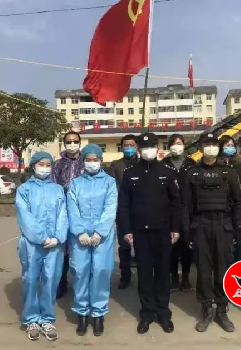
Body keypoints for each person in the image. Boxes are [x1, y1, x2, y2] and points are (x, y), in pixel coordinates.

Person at [118, 132, 182, 335]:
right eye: (144, 147)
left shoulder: (167, 172)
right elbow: (124, 205)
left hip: (163, 232)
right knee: (145, 274)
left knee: (163, 273)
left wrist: (175, 228)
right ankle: (146, 313)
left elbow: (176, 203)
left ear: (158, 148)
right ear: (139, 149)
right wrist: (126, 230)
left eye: (151, 147)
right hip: (140, 233)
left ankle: (163, 313)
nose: (148, 150)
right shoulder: (130, 173)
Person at [181, 133, 241, 333]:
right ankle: (206, 309)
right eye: (207, 144)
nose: (211, 148)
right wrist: (187, 231)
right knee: (204, 270)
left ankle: (222, 310)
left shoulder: (229, 172)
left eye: (214, 144)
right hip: (201, 225)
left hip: (223, 225)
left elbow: (237, 202)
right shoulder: (192, 173)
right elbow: (185, 205)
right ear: (200, 148)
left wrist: (238, 229)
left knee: (223, 269)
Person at [16, 152, 68, 341]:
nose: (45, 168)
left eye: (48, 164)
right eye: (41, 164)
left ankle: (47, 319)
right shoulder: (24, 190)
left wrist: (58, 237)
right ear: (33, 166)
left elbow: (63, 214)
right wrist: (41, 237)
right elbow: (25, 216)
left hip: (54, 244)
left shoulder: (58, 189)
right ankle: (31, 319)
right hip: (32, 243)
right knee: (31, 280)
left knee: (51, 280)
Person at [67, 144, 118, 337]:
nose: (92, 163)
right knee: (80, 272)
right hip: (79, 235)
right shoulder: (75, 183)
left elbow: (110, 207)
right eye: (88, 160)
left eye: (95, 159)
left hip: (102, 237)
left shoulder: (109, 183)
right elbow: (72, 208)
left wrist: (100, 232)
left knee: (101, 271)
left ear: (101, 160)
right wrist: (79, 232)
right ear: (83, 161)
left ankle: (98, 313)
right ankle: (82, 312)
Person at [51, 131, 84, 299]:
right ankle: (61, 283)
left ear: (80, 142)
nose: (72, 144)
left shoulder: (87, 162)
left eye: (75, 141)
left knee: (80, 248)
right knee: (61, 249)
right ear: (64, 144)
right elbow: (53, 187)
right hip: (62, 211)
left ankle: (82, 287)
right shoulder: (57, 165)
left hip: (82, 212)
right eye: (69, 141)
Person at [162, 133, 195, 292]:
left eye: (180, 143)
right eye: (174, 143)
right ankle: (173, 277)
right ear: (169, 146)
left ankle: (186, 277)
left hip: (187, 208)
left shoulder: (191, 163)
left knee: (187, 244)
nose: (177, 146)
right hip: (169, 209)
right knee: (172, 246)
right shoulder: (164, 164)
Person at [108, 134, 139, 290]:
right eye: (126, 145)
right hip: (123, 210)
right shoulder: (116, 165)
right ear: (122, 147)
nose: (129, 148)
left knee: (143, 244)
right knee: (124, 245)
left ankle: (144, 274)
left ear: (137, 147)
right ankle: (125, 275)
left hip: (141, 210)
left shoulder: (143, 163)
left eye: (132, 145)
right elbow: (112, 187)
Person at [216, 135, 241, 262]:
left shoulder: (240, 164)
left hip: (238, 205)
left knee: (237, 240)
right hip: (223, 205)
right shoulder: (217, 164)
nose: (230, 147)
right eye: (227, 145)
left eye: (232, 145)